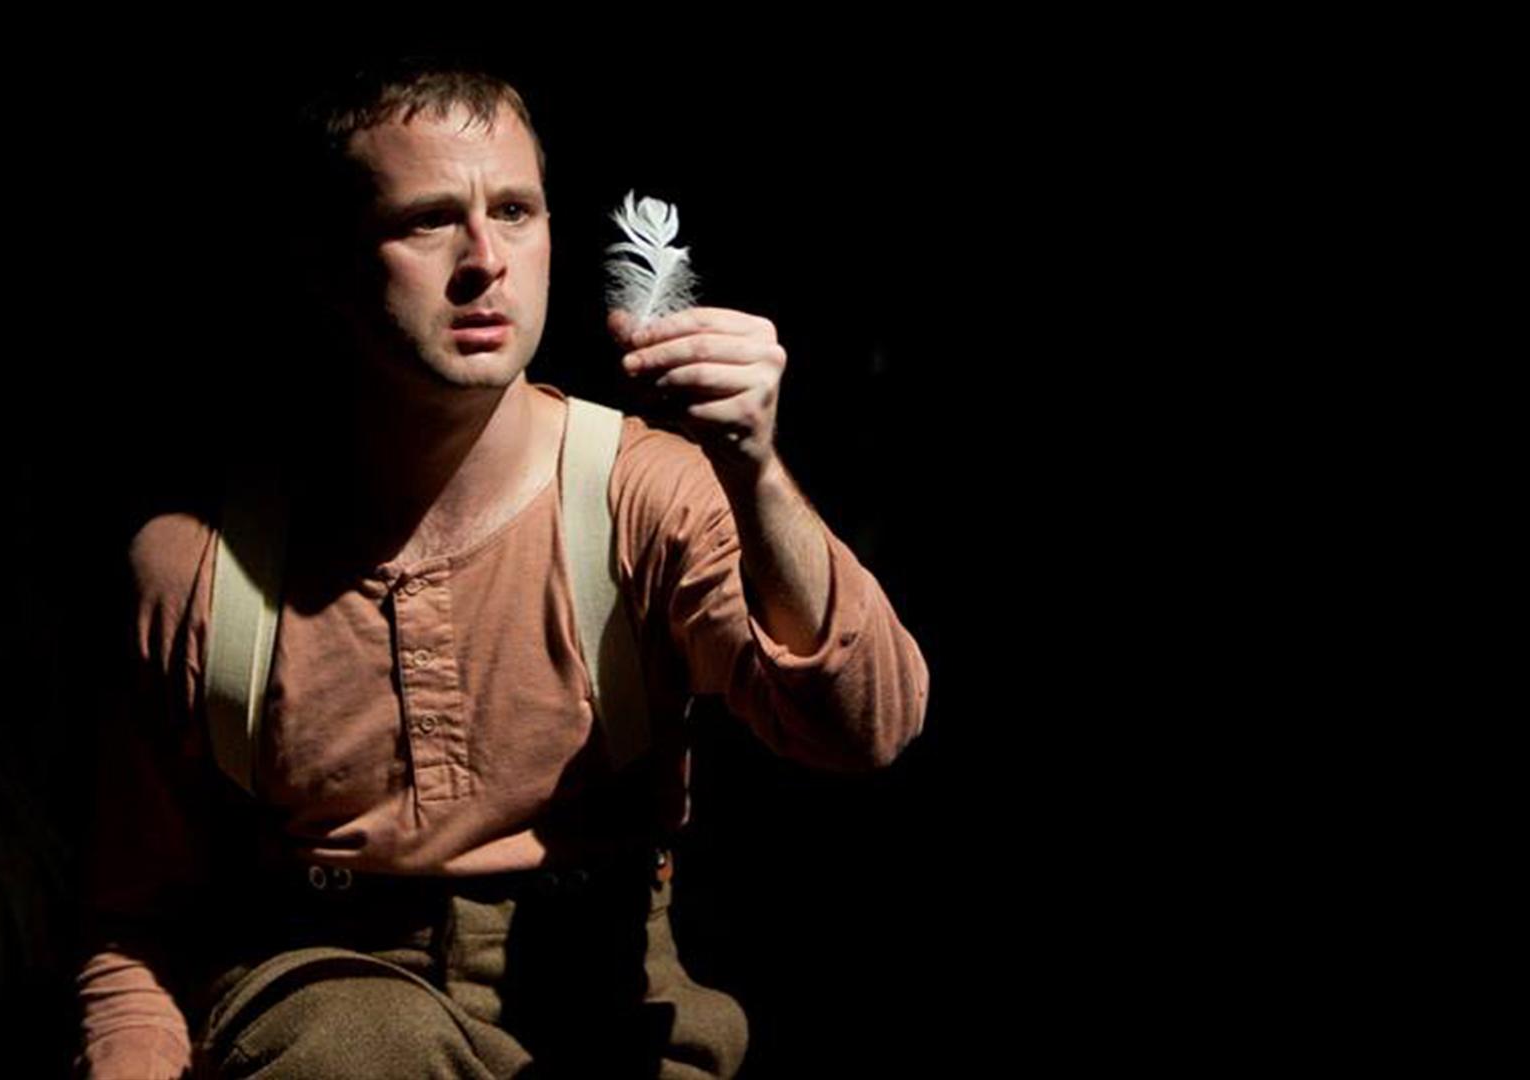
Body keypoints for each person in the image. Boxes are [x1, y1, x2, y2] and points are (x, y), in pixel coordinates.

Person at [72, 60, 929, 1079]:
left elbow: (863, 729)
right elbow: (135, 922)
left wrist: (756, 472)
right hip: (328, 1006)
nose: (486, 261)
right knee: (351, 1039)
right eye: (428, 220)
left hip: (604, 1004)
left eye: (515, 211)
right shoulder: (203, 570)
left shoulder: (644, 497)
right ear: (327, 263)